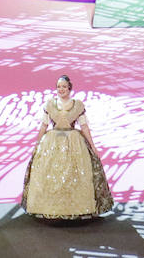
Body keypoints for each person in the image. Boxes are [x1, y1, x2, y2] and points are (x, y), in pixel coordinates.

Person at [22, 75, 113, 220]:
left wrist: (93, 146)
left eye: (64, 87)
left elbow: (84, 126)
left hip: (74, 142)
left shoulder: (77, 105)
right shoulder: (50, 105)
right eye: (58, 87)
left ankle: (76, 208)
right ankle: (50, 207)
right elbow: (43, 126)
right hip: (52, 142)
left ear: (69, 88)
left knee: (75, 173)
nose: (61, 89)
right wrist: (37, 144)